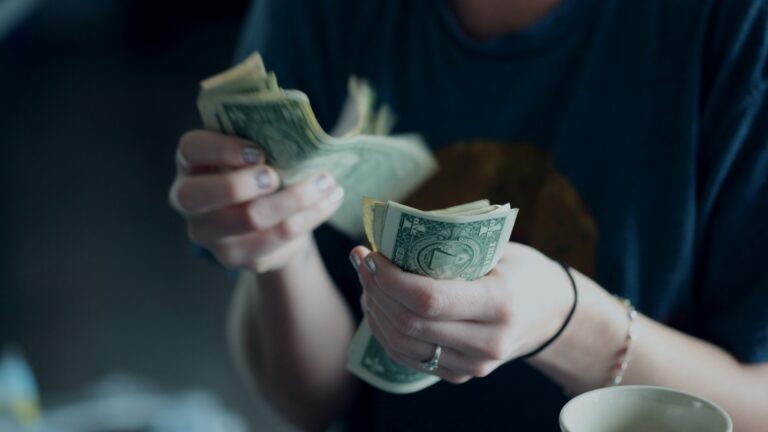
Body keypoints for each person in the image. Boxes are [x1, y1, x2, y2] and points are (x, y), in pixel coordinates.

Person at [169, 0, 768, 430]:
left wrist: (569, 324)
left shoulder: (740, 25)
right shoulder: (320, 11)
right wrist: (278, 252)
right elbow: (311, 404)